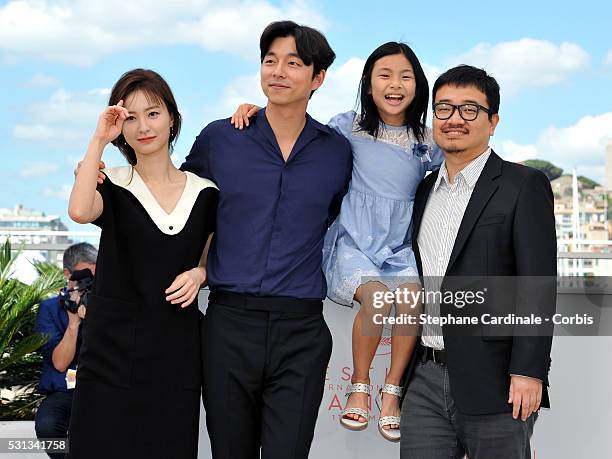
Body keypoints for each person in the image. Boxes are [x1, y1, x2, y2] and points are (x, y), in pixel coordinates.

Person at [231, 41, 443, 442]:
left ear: (418, 86)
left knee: (414, 297)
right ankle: (360, 387)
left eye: (405, 76)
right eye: (384, 75)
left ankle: (393, 391)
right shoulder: (348, 126)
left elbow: (457, 164)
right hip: (353, 243)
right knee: (379, 298)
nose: (394, 85)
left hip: (397, 248)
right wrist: (258, 113)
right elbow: (297, 131)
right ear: (367, 83)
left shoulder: (426, 141)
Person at [181, 21, 352, 459]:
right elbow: (182, 203)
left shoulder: (336, 151)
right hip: (228, 324)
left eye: (293, 63)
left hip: (301, 330)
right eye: (270, 61)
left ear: (318, 78)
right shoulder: (222, 137)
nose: (277, 71)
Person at [401, 65, 556, 458]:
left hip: (499, 383)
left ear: (493, 121)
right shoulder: (423, 191)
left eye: (470, 109)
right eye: (444, 108)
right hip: (424, 382)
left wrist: (529, 371)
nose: (454, 119)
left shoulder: (523, 185)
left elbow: (536, 286)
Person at [67, 68, 218, 459]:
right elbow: (80, 211)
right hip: (110, 357)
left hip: (175, 354)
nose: (142, 127)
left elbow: (210, 254)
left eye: (152, 113)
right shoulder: (111, 182)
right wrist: (99, 139)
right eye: (129, 117)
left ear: (172, 117)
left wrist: (201, 273)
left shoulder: (206, 193)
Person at [34, 242, 97, 459]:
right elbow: (60, 363)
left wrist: (97, 318)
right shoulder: (50, 309)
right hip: (65, 390)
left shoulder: (107, 306)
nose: (89, 284)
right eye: (84, 276)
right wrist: (74, 323)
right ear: (67, 274)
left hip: (102, 386)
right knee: (47, 426)